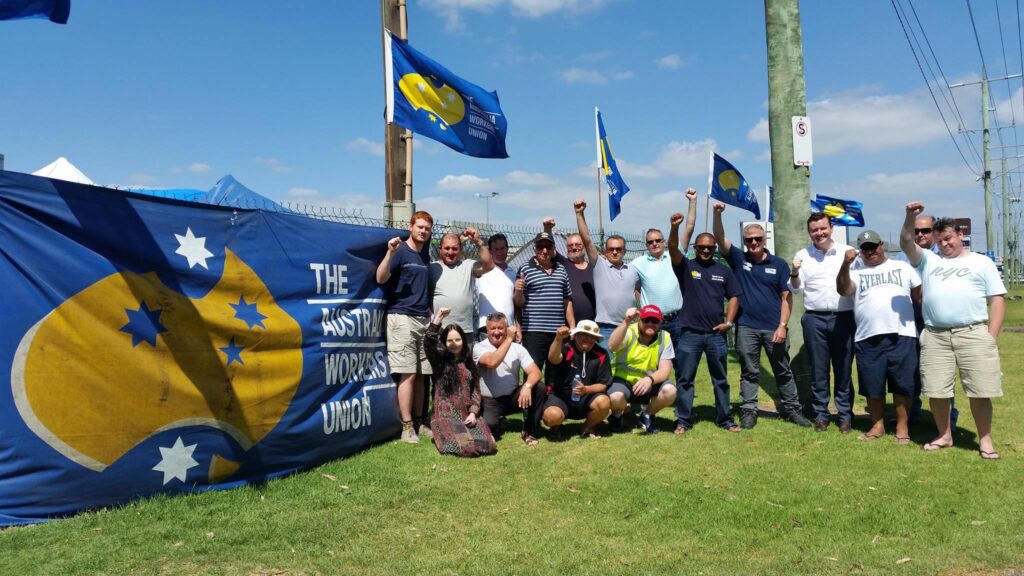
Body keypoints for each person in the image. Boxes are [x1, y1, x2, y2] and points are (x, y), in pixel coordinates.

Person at [900, 203, 1006, 459]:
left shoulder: (982, 263)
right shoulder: (929, 261)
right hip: (935, 335)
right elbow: (905, 243)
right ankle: (944, 435)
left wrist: (990, 336)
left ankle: (985, 440)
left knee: (980, 391)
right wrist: (910, 217)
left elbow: (997, 300)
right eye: (939, 240)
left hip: (973, 333)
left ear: (960, 235)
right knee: (937, 391)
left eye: (948, 238)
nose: (944, 244)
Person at [711, 202, 811, 429]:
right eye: (749, 240)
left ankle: (793, 410)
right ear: (744, 242)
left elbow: (787, 296)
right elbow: (719, 238)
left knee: (783, 371)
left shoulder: (779, 264)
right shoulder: (739, 259)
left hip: (774, 327)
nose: (753, 243)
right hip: (746, 326)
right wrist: (717, 215)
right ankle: (749, 411)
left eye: (757, 238)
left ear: (765, 239)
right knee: (749, 372)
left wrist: (782, 325)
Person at [837, 230, 921, 445]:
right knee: (872, 385)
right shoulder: (856, 271)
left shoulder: (902, 267)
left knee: (902, 384)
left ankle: (902, 428)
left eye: (873, 246)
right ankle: (877, 426)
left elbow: (919, 295)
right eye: (865, 248)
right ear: (859, 252)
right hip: (868, 336)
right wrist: (845, 264)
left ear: (882, 245)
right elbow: (843, 289)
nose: (870, 251)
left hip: (902, 334)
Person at [668, 203, 742, 433]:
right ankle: (683, 420)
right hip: (689, 333)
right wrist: (673, 228)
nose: (706, 251)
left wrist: (728, 323)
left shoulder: (724, 271)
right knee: (685, 379)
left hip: (715, 335)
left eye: (710, 248)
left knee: (720, 379)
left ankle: (725, 419)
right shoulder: (686, 266)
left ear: (715, 249)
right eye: (702, 247)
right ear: (695, 247)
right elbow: (672, 248)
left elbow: (734, 297)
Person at [789, 213, 855, 433]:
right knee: (819, 370)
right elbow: (796, 289)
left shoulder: (847, 253)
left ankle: (845, 416)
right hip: (814, 318)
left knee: (843, 368)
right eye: (814, 230)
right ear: (809, 233)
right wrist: (795, 272)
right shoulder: (803, 255)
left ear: (831, 228)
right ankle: (821, 415)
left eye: (823, 228)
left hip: (844, 317)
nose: (819, 233)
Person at [376, 210, 435, 443]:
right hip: (401, 318)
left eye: (427, 228)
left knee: (422, 374)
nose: (423, 231)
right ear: (410, 227)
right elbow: (380, 278)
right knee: (408, 374)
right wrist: (390, 253)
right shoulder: (400, 251)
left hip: (422, 319)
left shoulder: (424, 255)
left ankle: (420, 424)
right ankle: (407, 427)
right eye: (419, 226)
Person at [896, 214, 958, 427]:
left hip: (937, 323)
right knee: (910, 370)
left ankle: (949, 420)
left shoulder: (944, 255)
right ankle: (913, 414)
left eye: (925, 230)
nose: (920, 234)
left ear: (935, 232)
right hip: (909, 321)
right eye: (916, 231)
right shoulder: (902, 259)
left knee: (942, 372)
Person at [423, 308, 497, 457]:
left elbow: (475, 390)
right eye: (449, 340)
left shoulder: (468, 361)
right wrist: (438, 319)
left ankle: (468, 435)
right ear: (444, 342)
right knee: (465, 447)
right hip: (445, 417)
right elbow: (428, 343)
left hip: (465, 415)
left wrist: (473, 413)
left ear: (463, 340)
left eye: (457, 339)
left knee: (490, 445)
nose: (454, 344)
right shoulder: (438, 360)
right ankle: (445, 435)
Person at [573, 198, 639, 342]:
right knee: (606, 365)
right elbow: (587, 239)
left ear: (624, 251)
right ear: (605, 250)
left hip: (629, 327)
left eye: (618, 249)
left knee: (628, 364)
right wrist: (579, 214)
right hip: (606, 328)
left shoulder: (633, 270)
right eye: (611, 249)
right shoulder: (599, 265)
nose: (615, 252)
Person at [473, 312, 543, 443]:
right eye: (492, 328)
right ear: (487, 330)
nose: (497, 332)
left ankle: (530, 430)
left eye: (500, 328)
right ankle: (496, 421)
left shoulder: (518, 348)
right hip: (490, 400)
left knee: (539, 387)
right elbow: (492, 362)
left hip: (512, 398)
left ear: (507, 329)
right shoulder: (479, 347)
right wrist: (509, 339)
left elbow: (536, 372)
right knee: (489, 425)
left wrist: (527, 386)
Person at [606, 305, 677, 434]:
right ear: (639, 320)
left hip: (649, 384)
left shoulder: (665, 337)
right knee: (615, 397)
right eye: (646, 320)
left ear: (661, 322)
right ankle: (617, 416)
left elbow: (665, 370)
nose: (650, 324)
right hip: (624, 381)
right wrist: (626, 321)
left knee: (670, 391)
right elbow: (612, 346)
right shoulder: (629, 331)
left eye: (655, 321)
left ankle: (647, 415)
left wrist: (650, 379)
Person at [542, 321, 612, 439]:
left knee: (604, 402)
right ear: (575, 335)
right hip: (560, 397)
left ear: (596, 339)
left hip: (587, 398)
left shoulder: (602, 354)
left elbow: (603, 384)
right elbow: (553, 358)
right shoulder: (565, 348)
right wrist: (558, 338)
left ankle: (587, 427)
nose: (587, 339)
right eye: (583, 334)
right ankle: (556, 426)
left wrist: (586, 389)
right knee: (552, 416)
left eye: (591, 336)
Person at [429, 228, 493, 336]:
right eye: (447, 248)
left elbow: (489, 265)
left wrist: (479, 242)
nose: (450, 252)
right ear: (440, 249)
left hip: (464, 331)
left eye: (454, 249)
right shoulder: (432, 268)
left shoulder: (468, 265)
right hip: (439, 329)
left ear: (460, 250)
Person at [476, 233, 517, 342]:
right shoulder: (481, 270)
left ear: (507, 249)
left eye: (503, 248)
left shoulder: (514, 273)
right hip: (487, 328)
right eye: (496, 249)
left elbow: (517, 305)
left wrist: (518, 327)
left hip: (508, 328)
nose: (500, 252)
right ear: (490, 251)